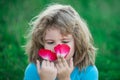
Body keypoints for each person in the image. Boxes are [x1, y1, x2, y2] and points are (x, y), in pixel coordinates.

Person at [24, 4, 98, 80]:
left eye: (65, 41)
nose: (57, 49)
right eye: (50, 42)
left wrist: (65, 78)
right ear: (41, 43)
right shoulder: (34, 69)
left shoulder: (88, 70)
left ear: (77, 42)